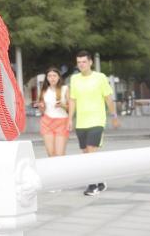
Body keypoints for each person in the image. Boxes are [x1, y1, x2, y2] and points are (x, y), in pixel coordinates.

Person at [68, 50, 120, 196]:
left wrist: (114, 116)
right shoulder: (74, 79)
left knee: (91, 151)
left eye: (84, 62)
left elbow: (108, 98)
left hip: (97, 120)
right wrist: (69, 119)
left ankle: (92, 185)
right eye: (79, 62)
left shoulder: (100, 77)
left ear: (90, 62)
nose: (81, 65)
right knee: (86, 154)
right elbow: (73, 100)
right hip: (81, 122)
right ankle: (100, 180)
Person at [38, 67, 69, 157]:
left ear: (59, 77)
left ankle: (62, 171)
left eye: (54, 76)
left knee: (59, 154)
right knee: (51, 154)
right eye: (49, 76)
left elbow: (70, 108)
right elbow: (42, 111)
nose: (52, 78)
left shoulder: (65, 89)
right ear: (47, 78)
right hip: (47, 122)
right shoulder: (44, 91)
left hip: (62, 122)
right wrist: (41, 107)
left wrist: (62, 105)